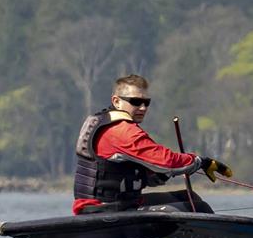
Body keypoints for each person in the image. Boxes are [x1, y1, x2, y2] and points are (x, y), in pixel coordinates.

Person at [72, 74, 231, 215]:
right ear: (116, 101)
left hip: (118, 205)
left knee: (188, 197)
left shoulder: (108, 123)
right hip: (105, 210)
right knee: (198, 208)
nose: (142, 107)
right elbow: (167, 161)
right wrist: (201, 162)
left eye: (146, 102)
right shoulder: (121, 131)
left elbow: (147, 176)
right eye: (136, 102)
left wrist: (160, 174)